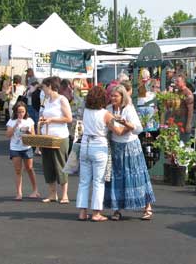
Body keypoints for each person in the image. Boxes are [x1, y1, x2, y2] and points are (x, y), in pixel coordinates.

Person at [104, 85, 156, 221]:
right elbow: (112, 128)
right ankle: (117, 209)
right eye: (112, 95)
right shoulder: (108, 109)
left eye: (116, 96)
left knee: (137, 175)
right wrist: (117, 127)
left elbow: (138, 128)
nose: (113, 98)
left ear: (122, 96)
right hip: (116, 146)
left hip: (131, 146)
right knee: (117, 177)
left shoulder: (129, 109)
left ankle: (147, 207)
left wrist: (125, 124)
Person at [76, 86, 126, 221]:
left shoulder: (86, 111)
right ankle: (96, 213)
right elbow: (117, 131)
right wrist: (128, 126)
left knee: (84, 181)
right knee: (99, 181)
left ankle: (82, 212)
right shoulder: (105, 114)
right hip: (99, 147)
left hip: (85, 144)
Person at [39, 77, 72, 204]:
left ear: (50, 86)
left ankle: (65, 195)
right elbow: (46, 115)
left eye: (44, 87)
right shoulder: (47, 100)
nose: (43, 89)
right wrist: (43, 119)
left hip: (59, 136)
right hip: (47, 136)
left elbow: (69, 118)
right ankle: (52, 194)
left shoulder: (62, 99)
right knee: (48, 165)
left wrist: (52, 120)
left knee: (60, 164)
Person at [5, 102, 40, 200]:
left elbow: (33, 136)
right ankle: (19, 193)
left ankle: (35, 190)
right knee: (18, 170)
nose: (21, 114)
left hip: (26, 147)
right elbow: (8, 135)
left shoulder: (29, 121)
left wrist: (28, 131)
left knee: (29, 168)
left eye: (23, 112)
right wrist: (15, 125)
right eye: (19, 112)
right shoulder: (11, 121)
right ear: (15, 112)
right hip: (15, 148)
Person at [174, 74, 194, 142]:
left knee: (184, 143)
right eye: (175, 81)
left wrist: (188, 124)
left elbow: (190, 110)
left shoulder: (188, 93)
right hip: (177, 120)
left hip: (184, 120)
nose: (175, 83)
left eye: (177, 81)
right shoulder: (178, 92)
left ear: (183, 82)